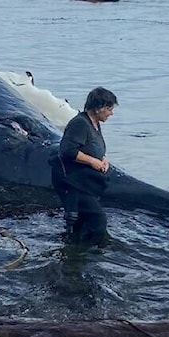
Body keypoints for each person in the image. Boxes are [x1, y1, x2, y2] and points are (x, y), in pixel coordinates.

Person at [50, 87, 118, 245]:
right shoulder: (80, 124)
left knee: (81, 221)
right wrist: (93, 161)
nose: (111, 113)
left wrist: (102, 158)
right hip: (72, 181)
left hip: (84, 181)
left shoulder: (95, 123)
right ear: (98, 108)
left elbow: (91, 147)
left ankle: (75, 252)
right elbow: (67, 151)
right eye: (109, 109)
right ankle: (98, 251)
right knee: (98, 218)